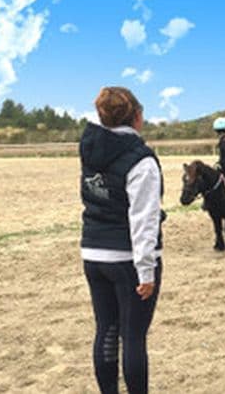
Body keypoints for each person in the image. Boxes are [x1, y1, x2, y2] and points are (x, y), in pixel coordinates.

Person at [80, 86, 165, 394]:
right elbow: (143, 221)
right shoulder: (141, 161)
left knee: (105, 331)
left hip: (92, 252)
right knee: (132, 337)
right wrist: (146, 270)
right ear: (138, 117)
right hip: (127, 258)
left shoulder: (90, 148)